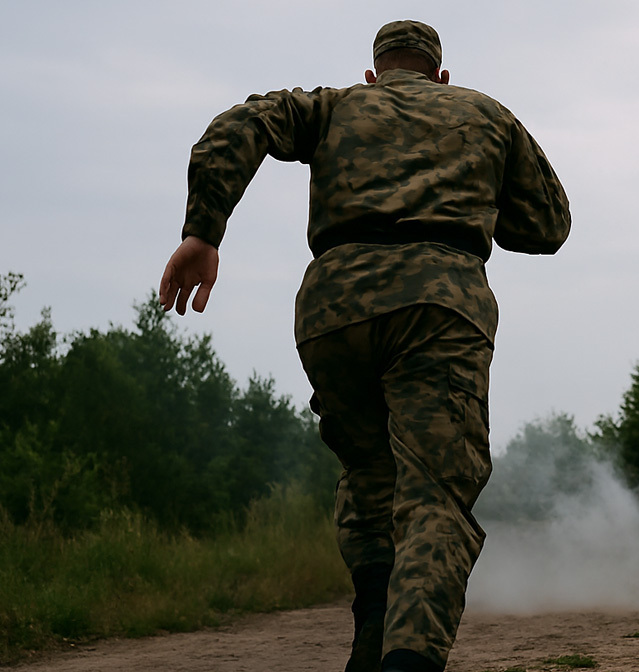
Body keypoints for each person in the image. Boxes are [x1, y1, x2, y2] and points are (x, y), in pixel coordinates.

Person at [157, 20, 571, 672]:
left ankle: (372, 631)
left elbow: (241, 125)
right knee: (434, 498)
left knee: (370, 483)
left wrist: (204, 230)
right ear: (441, 75)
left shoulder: (337, 104)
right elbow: (550, 224)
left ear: (375, 72)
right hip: (438, 303)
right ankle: (405, 663)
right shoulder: (484, 113)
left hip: (333, 309)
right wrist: (470, 192)